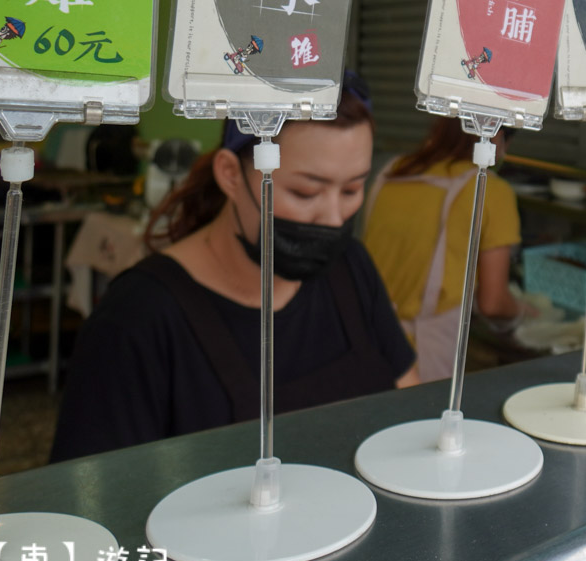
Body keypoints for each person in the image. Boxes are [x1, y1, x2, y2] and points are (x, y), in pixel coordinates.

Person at [50, 76, 416, 462]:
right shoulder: (137, 320)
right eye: (304, 192)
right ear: (229, 174)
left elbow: (409, 404)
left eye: (351, 190)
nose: (332, 218)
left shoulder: (351, 271)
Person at [362, 116, 528, 381]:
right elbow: (493, 303)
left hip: (365, 338)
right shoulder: (491, 191)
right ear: (494, 137)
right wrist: (527, 312)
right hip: (420, 354)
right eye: (507, 140)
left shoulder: (393, 171)